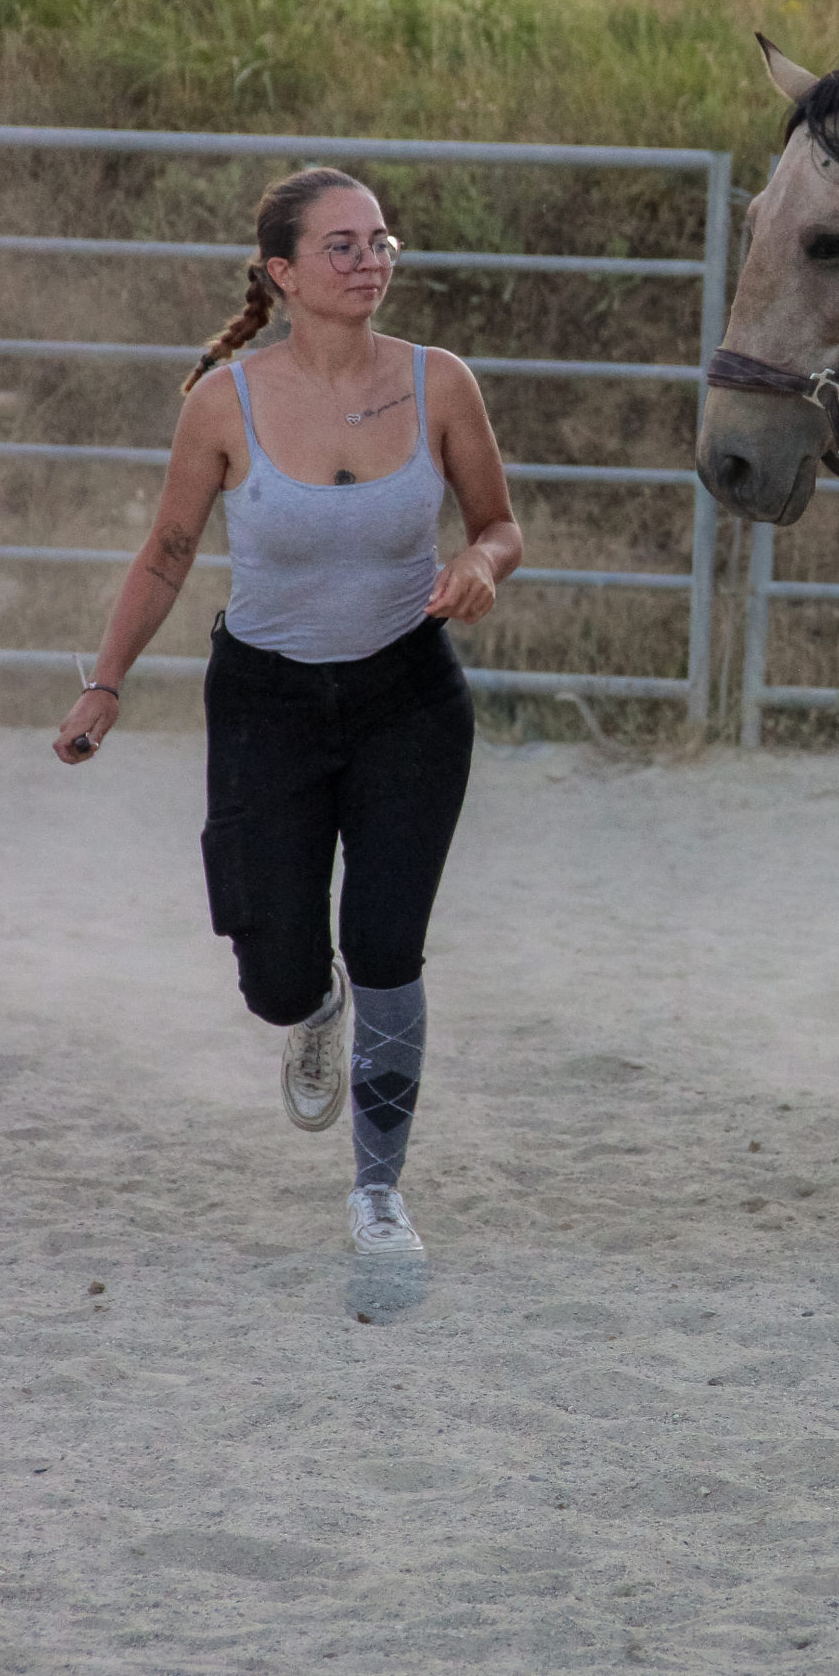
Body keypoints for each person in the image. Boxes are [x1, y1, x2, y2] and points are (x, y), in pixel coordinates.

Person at [53, 166, 523, 1256]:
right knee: (277, 976)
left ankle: (377, 1193)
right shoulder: (225, 402)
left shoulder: (440, 382)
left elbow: (499, 524)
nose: (370, 262)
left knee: (389, 947)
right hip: (266, 703)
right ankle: (312, 1013)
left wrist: (480, 565)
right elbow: (168, 553)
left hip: (409, 698)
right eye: (341, 247)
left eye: (381, 242)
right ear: (284, 274)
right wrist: (105, 682)